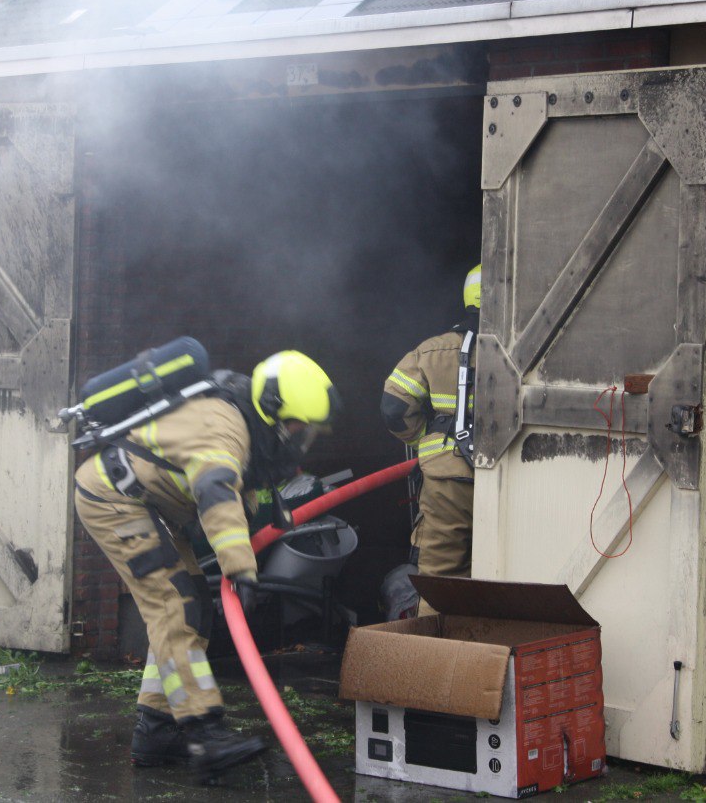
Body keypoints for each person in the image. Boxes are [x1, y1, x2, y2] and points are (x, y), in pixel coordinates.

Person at [73, 350, 341, 783]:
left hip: (144, 504)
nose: (301, 439)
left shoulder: (246, 426)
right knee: (173, 606)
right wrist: (241, 567)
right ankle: (205, 735)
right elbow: (217, 493)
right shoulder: (223, 426)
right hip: (113, 499)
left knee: (190, 607)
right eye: (298, 428)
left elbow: (239, 492)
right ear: (273, 411)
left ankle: (157, 733)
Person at [381, 266, 480, 615]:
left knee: (439, 583)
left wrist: (429, 438)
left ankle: (436, 663)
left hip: (447, 481)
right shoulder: (529, 351)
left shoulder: (433, 351)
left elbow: (393, 407)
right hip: (511, 478)